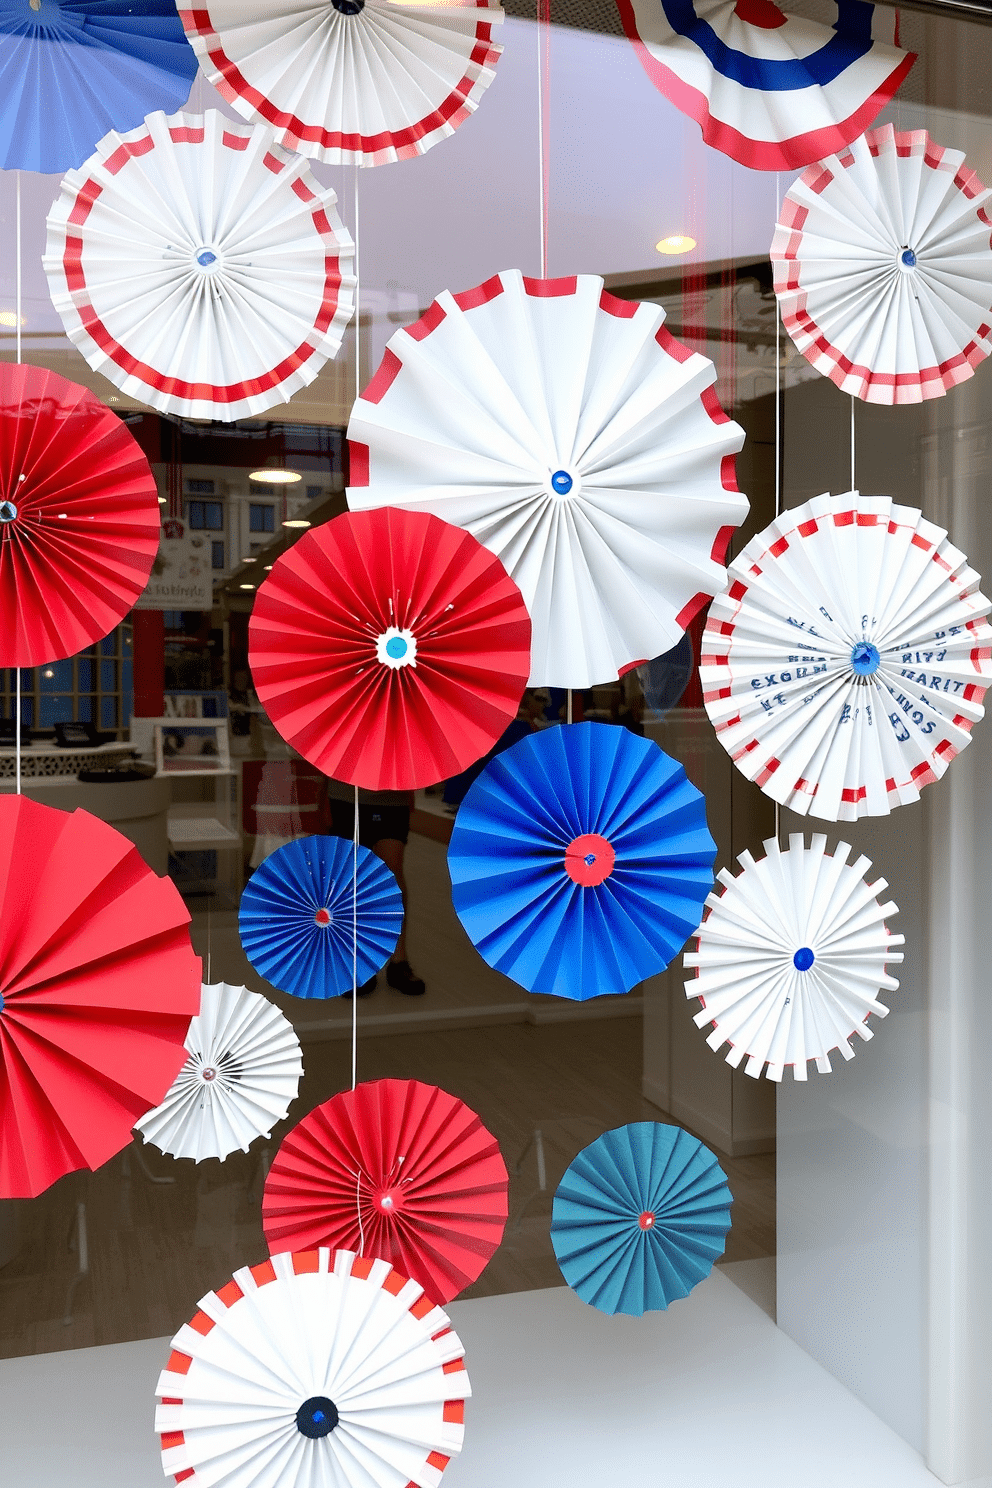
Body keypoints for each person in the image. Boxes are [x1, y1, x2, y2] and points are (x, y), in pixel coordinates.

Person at [322, 777, 426, 998]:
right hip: (346, 796)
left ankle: (399, 962)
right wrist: (322, 798)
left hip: (393, 796)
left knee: (391, 876)